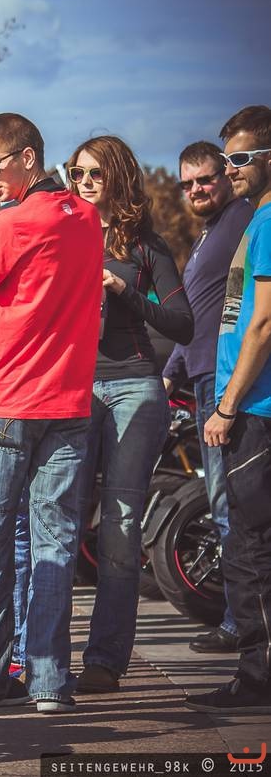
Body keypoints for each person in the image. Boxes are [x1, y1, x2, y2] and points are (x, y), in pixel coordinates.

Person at [0, 113, 103, 713]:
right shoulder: (88, 218)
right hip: (68, 402)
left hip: (7, 403)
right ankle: (48, 683)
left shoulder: (11, 223)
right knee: (56, 545)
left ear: (28, 158)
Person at [64, 136, 194, 694]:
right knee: (58, 521)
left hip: (133, 387)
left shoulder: (145, 245)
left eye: (95, 173)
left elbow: (183, 324)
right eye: (76, 173)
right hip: (69, 387)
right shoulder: (62, 234)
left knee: (118, 529)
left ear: (118, 176)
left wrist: (123, 290)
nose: (84, 182)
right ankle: (41, 661)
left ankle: (105, 661)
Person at [188, 104, 271, 715]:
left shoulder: (267, 222)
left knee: (249, 547)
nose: (230, 168)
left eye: (240, 157)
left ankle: (257, 677)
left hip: (255, 410)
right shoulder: (256, 219)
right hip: (251, 407)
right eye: (227, 157)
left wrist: (227, 405)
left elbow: (263, 323)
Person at [162, 141, 254, 654]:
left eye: (205, 178)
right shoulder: (208, 235)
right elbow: (195, 316)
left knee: (229, 503)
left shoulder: (242, 219)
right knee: (224, 501)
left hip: (225, 384)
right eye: (188, 183)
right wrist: (171, 373)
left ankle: (242, 625)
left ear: (227, 176)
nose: (196, 189)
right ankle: (240, 620)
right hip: (200, 378)